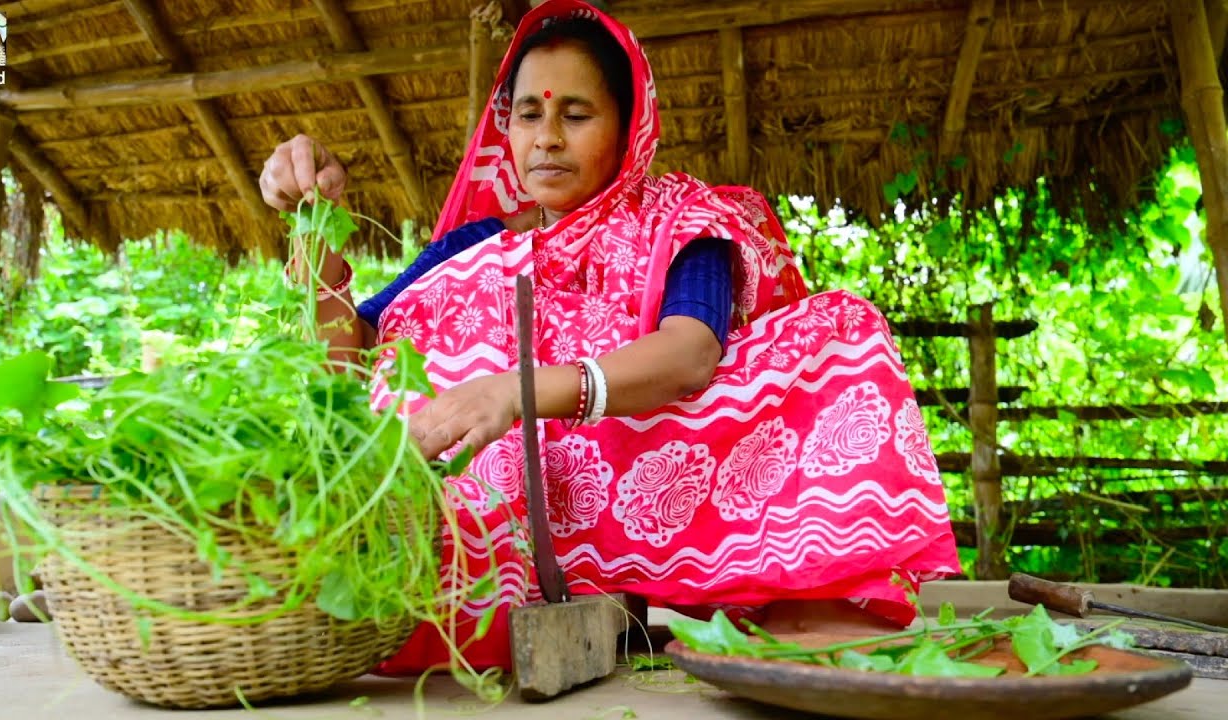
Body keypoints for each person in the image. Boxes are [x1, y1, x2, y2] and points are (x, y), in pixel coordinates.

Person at [259, 0, 959, 673]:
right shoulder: (473, 247)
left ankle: (805, 601)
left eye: (577, 114)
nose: (548, 137)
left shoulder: (682, 221)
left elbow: (691, 354)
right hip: (484, 515)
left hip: (654, 489)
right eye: (529, 114)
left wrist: (518, 391)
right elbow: (347, 363)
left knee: (839, 331)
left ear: (628, 127)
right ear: (506, 128)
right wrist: (316, 228)